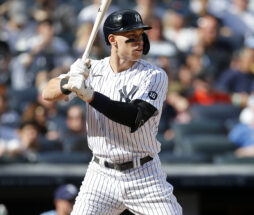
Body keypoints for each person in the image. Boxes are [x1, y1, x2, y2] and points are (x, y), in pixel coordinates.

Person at [42, 9, 182, 215]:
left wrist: (91, 96)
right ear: (113, 40)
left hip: (143, 173)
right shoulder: (94, 69)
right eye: (131, 37)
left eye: (140, 35)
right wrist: (68, 83)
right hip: (101, 174)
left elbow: (134, 117)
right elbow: (47, 93)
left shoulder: (154, 75)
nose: (139, 41)